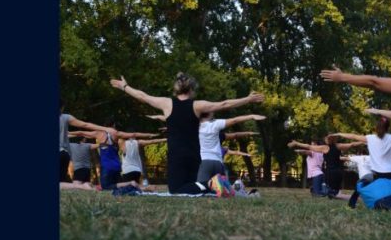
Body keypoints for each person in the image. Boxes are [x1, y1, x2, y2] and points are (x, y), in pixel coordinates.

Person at [109, 73, 264, 194]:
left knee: (176, 190)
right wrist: (248, 99)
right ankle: (220, 186)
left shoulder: (166, 103)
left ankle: (212, 184)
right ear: (191, 90)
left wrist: (125, 87)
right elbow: (224, 104)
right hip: (194, 156)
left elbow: (142, 96)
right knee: (192, 188)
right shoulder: (198, 105)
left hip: (177, 156)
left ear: (177, 89)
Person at [70, 127, 160, 190]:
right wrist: (150, 134)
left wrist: (68, 133)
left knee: (105, 186)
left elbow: (81, 133)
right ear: (113, 126)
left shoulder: (99, 134)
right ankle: (143, 187)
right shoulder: (116, 134)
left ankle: (132, 183)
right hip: (117, 165)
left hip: (107, 166)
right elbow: (133, 134)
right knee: (119, 185)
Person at [197, 112, 265, 187]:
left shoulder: (194, 129)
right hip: (219, 163)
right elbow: (234, 130)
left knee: (201, 187)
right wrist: (250, 122)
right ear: (209, 114)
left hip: (204, 161)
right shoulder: (216, 128)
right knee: (223, 188)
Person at [288, 137, 363, 197]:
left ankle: (334, 193)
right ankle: (326, 191)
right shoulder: (335, 147)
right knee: (331, 193)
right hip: (336, 173)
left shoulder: (323, 149)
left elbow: (307, 148)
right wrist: (364, 141)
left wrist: (296, 146)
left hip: (325, 174)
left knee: (327, 194)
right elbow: (352, 144)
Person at [59, 100, 112, 183]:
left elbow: (77, 134)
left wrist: (72, 134)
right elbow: (85, 125)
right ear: (62, 108)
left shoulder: (72, 145)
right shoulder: (66, 117)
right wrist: (105, 129)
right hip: (65, 155)